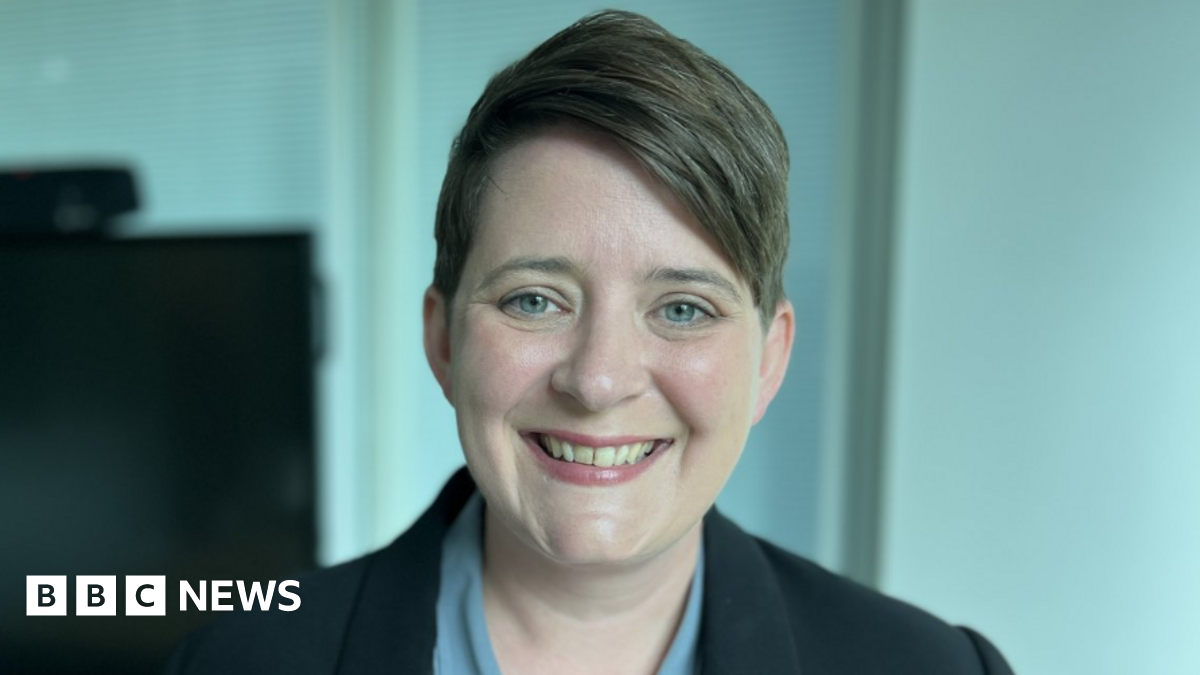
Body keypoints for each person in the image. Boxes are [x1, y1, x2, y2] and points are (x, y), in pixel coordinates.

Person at [166, 10, 1014, 674]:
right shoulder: (240, 659)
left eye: (682, 308)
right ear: (444, 341)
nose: (599, 379)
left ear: (771, 359)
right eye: (535, 299)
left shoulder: (934, 667)